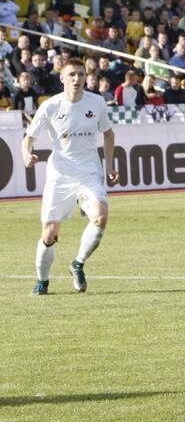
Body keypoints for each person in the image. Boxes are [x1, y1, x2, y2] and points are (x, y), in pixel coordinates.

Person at [24, 57, 117, 296]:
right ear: (62, 78)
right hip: (60, 174)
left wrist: (108, 166)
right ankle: (42, 281)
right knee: (50, 233)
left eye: (81, 74)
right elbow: (29, 138)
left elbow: (108, 134)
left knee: (100, 217)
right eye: (72, 74)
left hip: (88, 171)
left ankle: (78, 263)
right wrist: (27, 154)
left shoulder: (96, 102)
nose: (77, 78)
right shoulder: (51, 106)